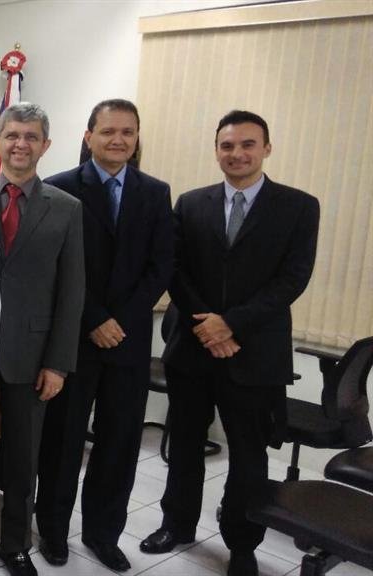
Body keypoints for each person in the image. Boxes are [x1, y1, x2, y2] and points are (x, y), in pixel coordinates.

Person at [140, 110, 319, 576]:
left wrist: (231, 325)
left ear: (266, 148)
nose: (236, 154)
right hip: (193, 350)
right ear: (216, 149)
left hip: (254, 353)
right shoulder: (191, 202)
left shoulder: (299, 206)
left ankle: (242, 542)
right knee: (183, 444)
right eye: (227, 145)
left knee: (248, 454)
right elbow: (174, 268)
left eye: (247, 144)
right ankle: (176, 524)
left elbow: (292, 279)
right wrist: (208, 327)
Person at [35, 99, 174, 572]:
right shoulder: (58, 188)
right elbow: (54, 268)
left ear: (137, 138)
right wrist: (94, 317)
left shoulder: (155, 193)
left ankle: (102, 533)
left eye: (128, 133)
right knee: (62, 442)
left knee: (119, 444)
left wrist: (123, 319)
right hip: (72, 340)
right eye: (109, 131)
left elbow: (161, 266)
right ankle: (52, 533)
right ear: (89, 135)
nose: (119, 140)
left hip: (129, 341)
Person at [0, 103, 84, 576]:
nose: (20, 144)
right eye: (12, 135)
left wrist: (59, 363)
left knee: (23, 461)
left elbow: (72, 293)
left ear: (46, 145)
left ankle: (15, 545)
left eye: (31, 136)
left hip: (33, 357)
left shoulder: (67, 209)